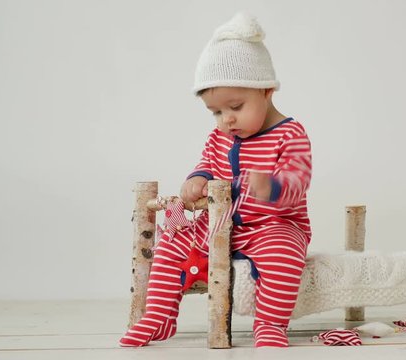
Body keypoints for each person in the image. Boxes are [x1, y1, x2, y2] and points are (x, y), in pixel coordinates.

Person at [119, 12, 312, 348]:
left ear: (266, 91)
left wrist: (273, 186)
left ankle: (270, 324)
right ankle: (159, 315)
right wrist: (196, 180)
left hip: (272, 225)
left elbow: (299, 178)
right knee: (171, 244)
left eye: (235, 106)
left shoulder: (290, 134)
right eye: (216, 112)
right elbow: (207, 163)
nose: (226, 120)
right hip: (216, 225)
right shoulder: (219, 137)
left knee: (284, 255)